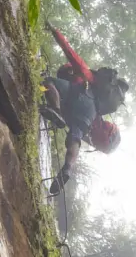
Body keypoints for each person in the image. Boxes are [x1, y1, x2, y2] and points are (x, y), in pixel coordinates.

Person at [40, 22, 127, 194]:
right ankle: (67, 169)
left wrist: (54, 30)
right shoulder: (99, 110)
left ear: (68, 72)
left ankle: (55, 111)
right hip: (87, 115)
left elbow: (69, 51)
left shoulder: (85, 76)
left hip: (78, 97)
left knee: (46, 83)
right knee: (75, 139)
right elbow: (80, 137)